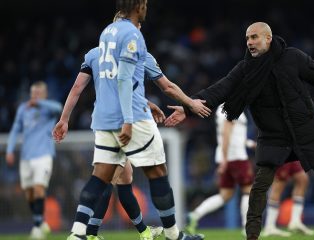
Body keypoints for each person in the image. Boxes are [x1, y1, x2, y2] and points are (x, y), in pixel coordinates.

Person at [165, 22, 314, 240]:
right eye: (247, 38)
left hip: (305, 129)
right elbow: (221, 88)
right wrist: (188, 107)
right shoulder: (246, 68)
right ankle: (252, 235)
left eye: (254, 37)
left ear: (268, 38)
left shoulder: (292, 57)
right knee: (260, 186)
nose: (250, 42)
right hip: (273, 136)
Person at [53, 1, 209, 238]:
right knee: (157, 172)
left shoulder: (101, 43)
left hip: (104, 120)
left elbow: (84, 87)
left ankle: (78, 233)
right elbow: (159, 85)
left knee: (100, 177)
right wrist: (191, 103)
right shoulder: (134, 40)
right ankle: (172, 235)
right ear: (138, 6)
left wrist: (64, 119)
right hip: (132, 118)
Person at [82, 47, 208, 240]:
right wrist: (190, 104)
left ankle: (141, 232)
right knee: (149, 173)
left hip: (105, 121)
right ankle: (88, 234)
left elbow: (113, 89)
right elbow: (167, 87)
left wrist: (147, 103)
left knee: (121, 177)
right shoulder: (139, 54)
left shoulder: (99, 55)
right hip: (129, 122)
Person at [186, 105, 255, 235]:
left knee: (225, 195)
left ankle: (196, 214)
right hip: (236, 157)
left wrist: (250, 144)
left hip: (226, 156)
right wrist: (225, 159)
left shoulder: (223, 107)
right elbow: (226, 132)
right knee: (248, 191)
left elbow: (235, 134)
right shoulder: (233, 106)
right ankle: (247, 228)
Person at [6, 81, 62, 239]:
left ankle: (37, 227)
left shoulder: (48, 108)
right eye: (33, 94)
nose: (34, 96)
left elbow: (59, 108)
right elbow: (15, 129)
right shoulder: (23, 109)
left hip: (44, 155)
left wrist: (39, 102)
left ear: (44, 94)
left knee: (39, 188)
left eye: (38, 93)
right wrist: (9, 150)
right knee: (29, 193)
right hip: (26, 157)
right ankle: (40, 221)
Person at [262, 161, 314, 237]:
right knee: (279, 184)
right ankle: (270, 226)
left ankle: (295, 221)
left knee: (302, 179)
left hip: (291, 153)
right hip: (281, 153)